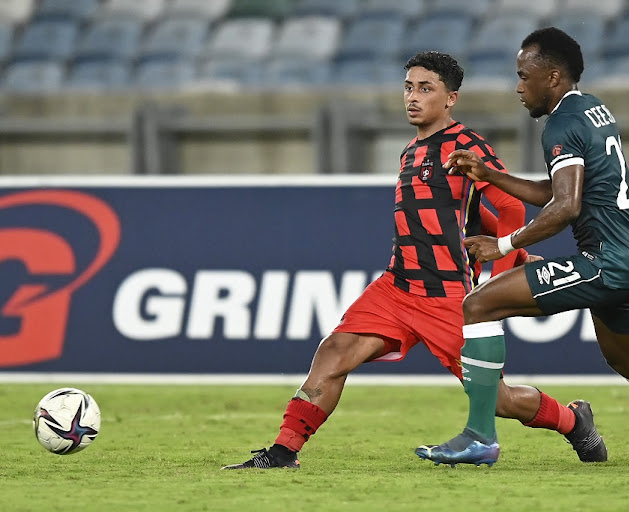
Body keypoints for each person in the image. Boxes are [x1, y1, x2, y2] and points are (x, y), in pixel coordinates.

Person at [222, 51, 606, 470]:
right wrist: (482, 237)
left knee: (496, 400)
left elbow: (511, 208)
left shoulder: (466, 144)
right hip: (396, 287)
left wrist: (500, 263)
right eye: (409, 87)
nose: (413, 97)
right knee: (333, 352)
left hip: (447, 296)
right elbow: (470, 213)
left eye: (426, 88)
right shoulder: (410, 152)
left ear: (451, 98)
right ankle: (282, 452)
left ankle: (573, 421)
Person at [416, 28, 629, 466]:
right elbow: (565, 190)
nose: (517, 87)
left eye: (524, 76)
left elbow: (565, 207)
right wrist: (491, 176)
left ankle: (480, 437)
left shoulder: (561, 124)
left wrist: (503, 243)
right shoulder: (592, 109)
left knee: (478, 305)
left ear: (552, 76)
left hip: (606, 259)